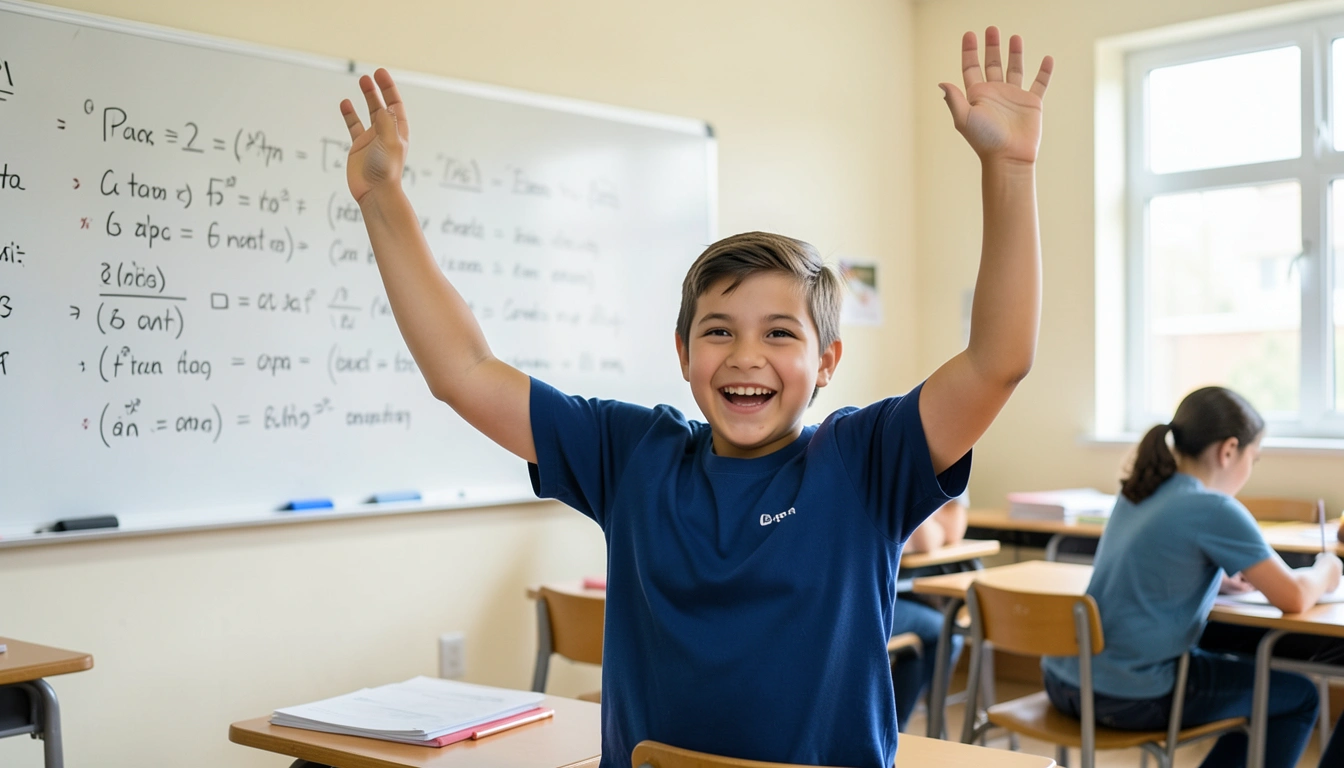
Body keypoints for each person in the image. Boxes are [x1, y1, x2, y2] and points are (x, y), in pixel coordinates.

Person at [337, 26, 1051, 768]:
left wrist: (1009, 168)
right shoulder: (632, 452)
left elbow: (998, 362)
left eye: (780, 333)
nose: (746, 357)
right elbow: (465, 372)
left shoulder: (864, 460)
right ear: (682, 354)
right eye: (718, 331)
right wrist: (384, 199)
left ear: (827, 361)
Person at [1040, 386, 1344, 768]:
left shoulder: (1137, 490)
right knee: (1297, 697)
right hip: (1129, 694)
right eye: (1255, 457)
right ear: (1229, 450)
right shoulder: (1213, 507)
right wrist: (1326, 569)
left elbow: (1151, 569)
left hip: (1066, 681)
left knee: (1251, 691)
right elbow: (1295, 597)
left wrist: (1218, 578)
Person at [891, 494, 969, 730]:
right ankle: (894, 730)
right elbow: (927, 539)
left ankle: (892, 728)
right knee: (946, 632)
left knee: (917, 645)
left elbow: (951, 529)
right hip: (858, 605)